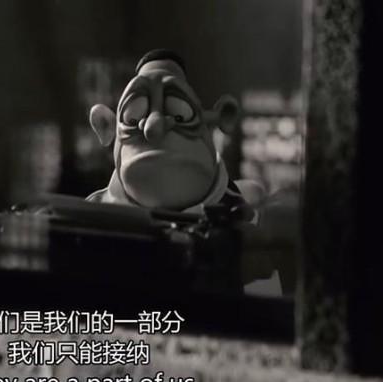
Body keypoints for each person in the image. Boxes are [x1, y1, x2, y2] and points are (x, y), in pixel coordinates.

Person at [84, 49, 297, 294]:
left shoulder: (244, 214)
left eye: (179, 114)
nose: (154, 127)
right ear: (105, 126)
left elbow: (266, 297)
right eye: (133, 118)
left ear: (220, 118)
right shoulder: (93, 214)